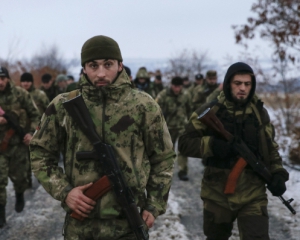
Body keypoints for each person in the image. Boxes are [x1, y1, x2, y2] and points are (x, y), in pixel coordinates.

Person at [30, 35, 175, 239]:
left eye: (108, 64)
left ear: (119, 65)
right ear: (84, 68)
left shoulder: (144, 105)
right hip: (81, 226)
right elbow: (40, 152)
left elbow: (164, 158)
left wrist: (154, 204)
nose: (100, 73)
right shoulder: (63, 105)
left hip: (128, 223)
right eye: (93, 65)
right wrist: (65, 192)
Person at [178, 62, 289, 240]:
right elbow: (184, 143)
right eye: (238, 83)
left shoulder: (260, 114)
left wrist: (278, 173)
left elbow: (271, 148)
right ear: (228, 83)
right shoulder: (211, 110)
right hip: (217, 194)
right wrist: (212, 145)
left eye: (247, 84)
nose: (242, 88)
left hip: (253, 193)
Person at [0, 67, 40, 228]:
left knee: (20, 178)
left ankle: (19, 193)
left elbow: (35, 115)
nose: (0, 82)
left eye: (3, 78)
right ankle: (1, 214)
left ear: (8, 79)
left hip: (18, 146)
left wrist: (31, 134)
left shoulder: (20, 94)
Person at [156, 77, 191, 181]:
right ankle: (165, 171)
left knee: (183, 150)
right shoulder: (163, 95)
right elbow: (154, 109)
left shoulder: (186, 95)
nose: (177, 89)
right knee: (167, 151)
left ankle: (182, 171)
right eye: (175, 86)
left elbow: (190, 109)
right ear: (171, 85)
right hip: (168, 127)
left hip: (182, 126)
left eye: (179, 87)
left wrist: (190, 123)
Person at [20, 72, 48, 188]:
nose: (25, 83)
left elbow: (49, 110)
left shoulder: (39, 94)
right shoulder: (19, 95)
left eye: (28, 81)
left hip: (39, 130)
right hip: (23, 131)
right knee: (24, 158)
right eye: (23, 81)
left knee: (38, 157)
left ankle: (44, 178)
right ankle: (28, 182)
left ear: (31, 82)